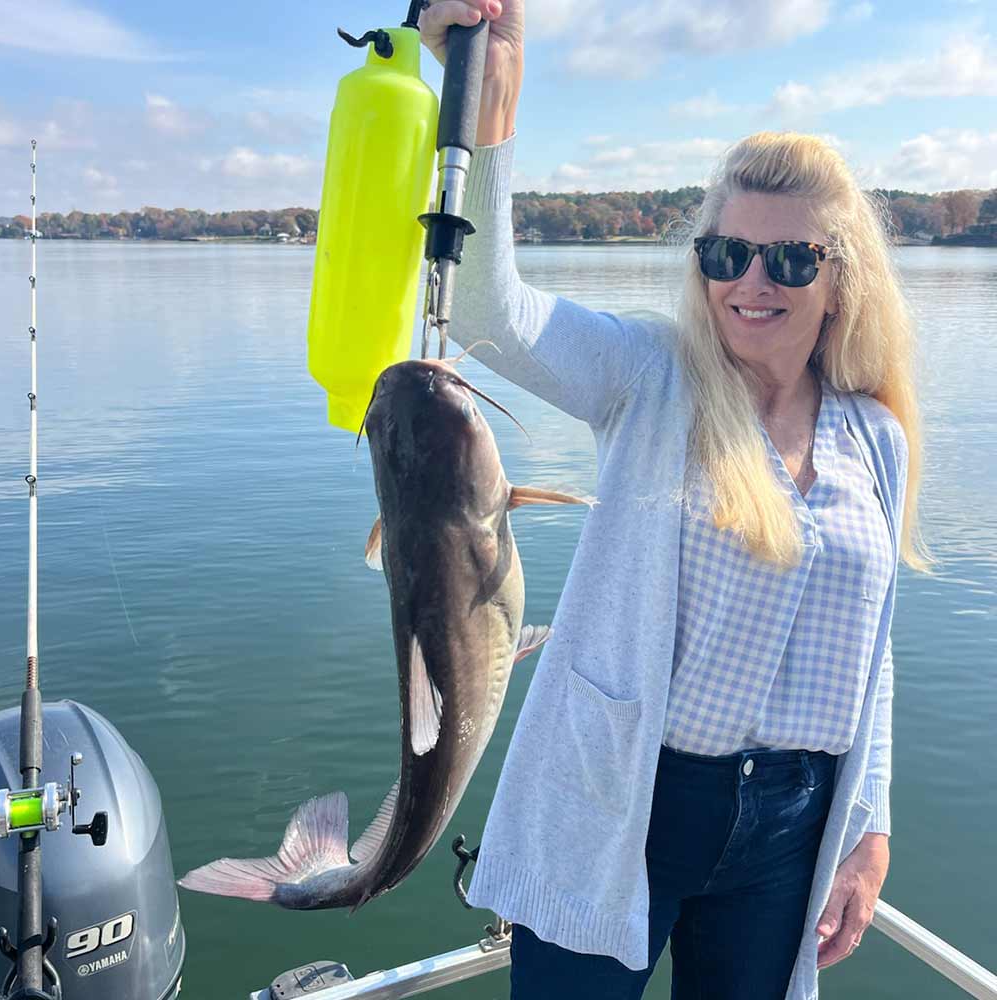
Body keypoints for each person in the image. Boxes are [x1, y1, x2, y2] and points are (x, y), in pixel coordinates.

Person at [420, 2, 929, 997]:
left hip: (791, 827)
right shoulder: (647, 372)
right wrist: (492, 94)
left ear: (837, 278)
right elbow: (488, 313)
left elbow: (876, 659)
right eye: (724, 253)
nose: (751, 282)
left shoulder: (876, 435)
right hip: (621, 801)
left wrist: (868, 830)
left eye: (789, 259)